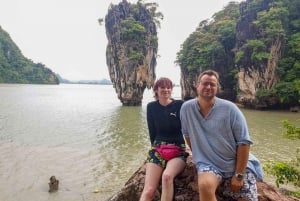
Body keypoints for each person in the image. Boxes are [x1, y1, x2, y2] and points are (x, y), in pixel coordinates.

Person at [180, 70, 263, 201]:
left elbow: (244, 142)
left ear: (217, 87)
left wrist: (239, 175)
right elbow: (187, 135)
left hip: (234, 162)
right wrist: (199, 154)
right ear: (197, 85)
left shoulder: (230, 109)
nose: (208, 87)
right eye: (205, 83)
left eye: (212, 84)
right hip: (208, 163)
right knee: (205, 185)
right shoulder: (186, 109)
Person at [140, 77, 189, 201]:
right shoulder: (151, 107)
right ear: (156, 89)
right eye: (162, 87)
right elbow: (152, 132)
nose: (166, 90)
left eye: (168, 87)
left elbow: (189, 128)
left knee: (167, 177)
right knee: (149, 190)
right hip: (158, 149)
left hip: (178, 150)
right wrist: (153, 151)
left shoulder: (180, 105)